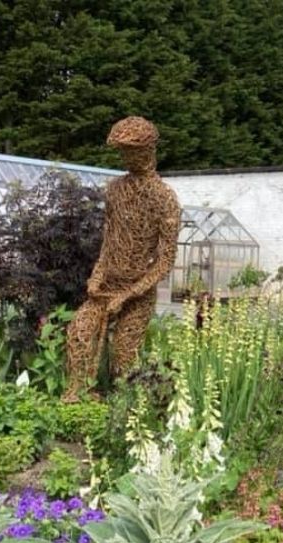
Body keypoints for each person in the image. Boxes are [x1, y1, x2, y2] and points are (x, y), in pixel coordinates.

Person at [63, 116, 181, 401]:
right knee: (80, 330)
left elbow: (165, 261)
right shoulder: (115, 190)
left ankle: (126, 410)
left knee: (123, 357)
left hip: (137, 294)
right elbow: (108, 241)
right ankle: (78, 396)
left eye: (133, 151)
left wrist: (128, 296)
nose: (127, 158)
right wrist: (96, 277)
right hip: (106, 288)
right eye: (123, 152)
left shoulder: (164, 198)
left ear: (149, 150)